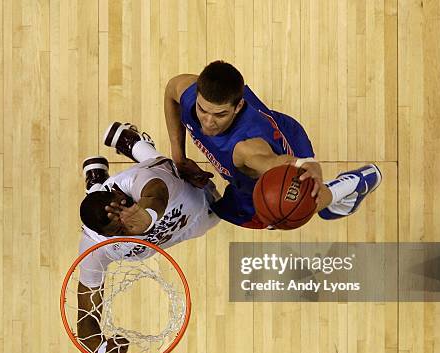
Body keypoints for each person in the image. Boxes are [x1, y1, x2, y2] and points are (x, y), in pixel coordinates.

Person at [160, 60, 382, 229]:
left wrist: (306, 164)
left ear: (238, 107)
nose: (208, 121)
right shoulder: (189, 92)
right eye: (202, 110)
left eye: (220, 114)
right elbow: (171, 90)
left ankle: (352, 184)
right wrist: (178, 156)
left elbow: (276, 162)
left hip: (280, 150)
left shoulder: (246, 150)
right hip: (277, 127)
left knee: (286, 211)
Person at [76, 124, 220, 353]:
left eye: (124, 206)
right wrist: (102, 349)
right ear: (106, 235)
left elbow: (156, 192)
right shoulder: (95, 247)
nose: (126, 223)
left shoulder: (141, 180)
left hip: (183, 194)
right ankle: (95, 184)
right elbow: (85, 314)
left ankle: (133, 145)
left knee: (163, 165)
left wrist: (148, 216)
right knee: (97, 203)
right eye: (119, 230)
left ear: (120, 194)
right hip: (184, 229)